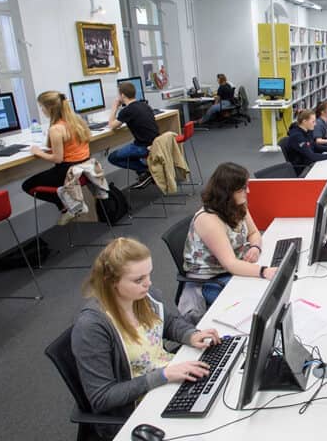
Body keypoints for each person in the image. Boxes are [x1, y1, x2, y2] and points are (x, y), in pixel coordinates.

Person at [71, 238, 221, 436]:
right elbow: (102, 397)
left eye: (148, 274)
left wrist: (191, 335)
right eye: (138, 279)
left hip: (166, 380)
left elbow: (169, 323)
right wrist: (163, 375)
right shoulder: (92, 327)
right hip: (137, 407)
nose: (148, 283)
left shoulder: (144, 297)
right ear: (111, 281)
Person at [181, 162, 278, 320]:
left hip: (230, 269)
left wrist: (255, 247)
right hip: (210, 280)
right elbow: (230, 264)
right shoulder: (208, 219)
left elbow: (254, 232)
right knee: (259, 306)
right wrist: (263, 271)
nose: (248, 191)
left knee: (268, 293)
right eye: (242, 189)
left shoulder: (237, 205)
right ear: (226, 193)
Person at [22, 91, 92, 225]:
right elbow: (70, 147)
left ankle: (68, 206)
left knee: (27, 185)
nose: (41, 110)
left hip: (67, 172)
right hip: (83, 170)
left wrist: (38, 152)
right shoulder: (77, 120)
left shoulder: (56, 129)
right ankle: (69, 205)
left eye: (42, 107)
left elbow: (58, 159)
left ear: (49, 109)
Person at [107, 81, 159, 190]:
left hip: (143, 147)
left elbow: (111, 125)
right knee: (128, 152)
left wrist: (114, 107)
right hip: (156, 143)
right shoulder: (144, 105)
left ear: (122, 95)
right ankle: (145, 172)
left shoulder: (127, 111)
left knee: (112, 157)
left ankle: (146, 170)